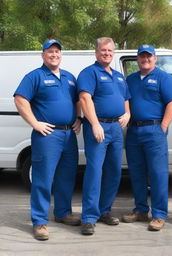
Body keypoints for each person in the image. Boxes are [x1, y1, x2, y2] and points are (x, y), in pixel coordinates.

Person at [14, 39, 82, 241]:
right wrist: (35, 123)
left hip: (69, 135)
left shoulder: (70, 77)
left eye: (57, 52)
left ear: (61, 55)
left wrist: (78, 118)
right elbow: (20, 99)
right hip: (47, 135)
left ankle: (62, 213)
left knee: (67, 176)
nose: (54, 55)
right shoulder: (35, 76)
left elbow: (77, 100)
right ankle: (39, 221)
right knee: (43, 179)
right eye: (50, 51)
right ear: (43, 55)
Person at [122, 45, 172, 231]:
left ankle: (159, 214)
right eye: (142, 56)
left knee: (157, 174)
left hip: (154, 131)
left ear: (155, 59)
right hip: (133, 132)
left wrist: (163, 126)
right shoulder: (130, 79)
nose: (145, 59)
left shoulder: (164, 78)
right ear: (137, 59)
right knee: (136, 173)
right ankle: (140, 210)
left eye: (149, 56)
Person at [77, 37, 130, 235]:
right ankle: (89, 217)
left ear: (113, 52)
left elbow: (126, 99)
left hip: (116, 129)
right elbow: (84, 98)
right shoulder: (89, 73)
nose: (106, 53)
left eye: (109, 50)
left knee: (114, 171)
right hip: (98, 127)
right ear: (96, 52)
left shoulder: (118, 76)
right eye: (103, 50)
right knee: (94, 171)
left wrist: (128, 113)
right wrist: (94, 123)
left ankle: (104, 211)